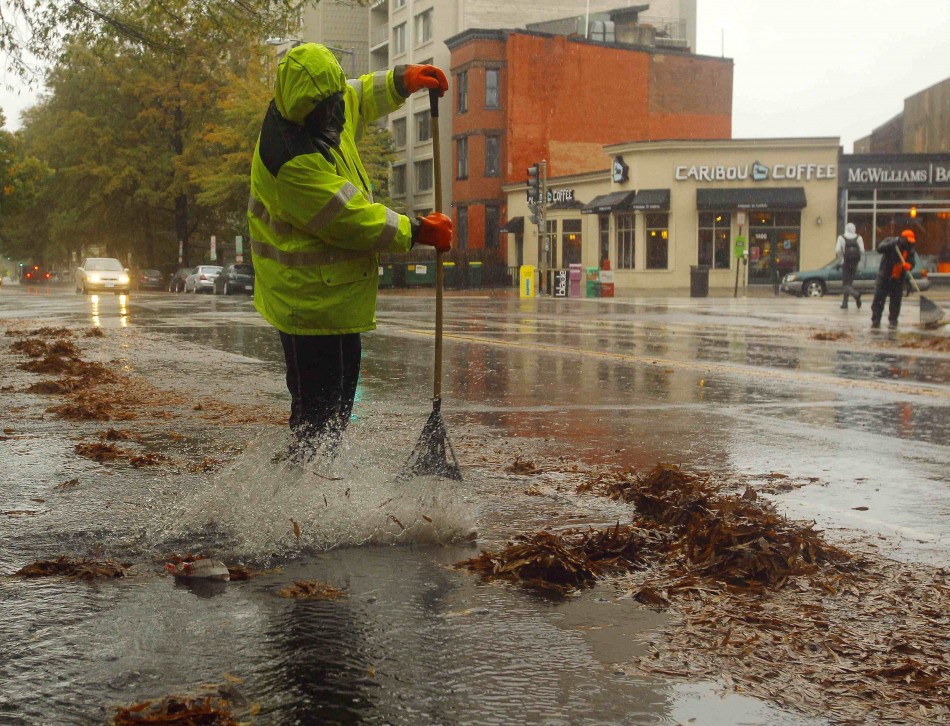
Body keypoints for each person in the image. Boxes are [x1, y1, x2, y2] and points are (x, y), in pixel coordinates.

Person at [248, 44, 452, 462]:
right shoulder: (291, 160)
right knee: (318, 420)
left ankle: (310, 494)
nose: (341, 114)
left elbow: (358, 95)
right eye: (330, 108)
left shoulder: (325, 111)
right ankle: (290, 500)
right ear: (308, 111)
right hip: (306, 303)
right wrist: (415, 230)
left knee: (335, 415)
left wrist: (401, 81)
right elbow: (350, 219)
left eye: (337, 100)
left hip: (332, 297)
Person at [870, 229, 918, 329]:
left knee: (896, 301)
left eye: (911, 241)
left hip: (898, 279)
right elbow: (879, 249)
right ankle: (876, 320)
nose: (909, 243)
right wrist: (892, 244)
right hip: (884, 277)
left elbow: (912, 262)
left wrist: (909, 266)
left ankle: (893, 320)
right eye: (908, 241)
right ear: (902, 238)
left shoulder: (910, 250)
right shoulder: (891, 242)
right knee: (879, 299)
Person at [835, 222, 865, 309]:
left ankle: (856, 294)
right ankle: (845, 303)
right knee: (849, 283)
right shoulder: (859, 237)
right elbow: (862, 250)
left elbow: (837, 250)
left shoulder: (841, 237)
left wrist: (842, 257)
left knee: (845, 284)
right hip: (855, 263)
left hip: (846, 262)